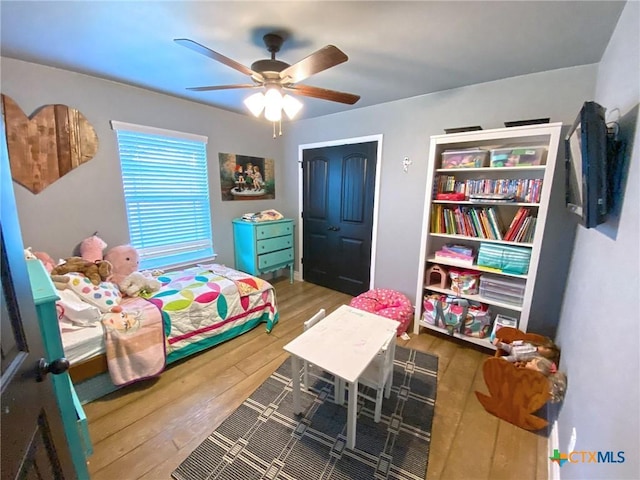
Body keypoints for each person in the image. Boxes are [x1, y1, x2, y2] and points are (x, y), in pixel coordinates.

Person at [492, 336, 560, 364]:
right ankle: (498, 344)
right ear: (543, 346)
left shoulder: (537, 357)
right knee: (506, 346)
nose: (542, 350)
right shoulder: (532, 344)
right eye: (544, 348)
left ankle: (498, 360)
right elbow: (522, 342)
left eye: (545, 354)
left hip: (516, 357)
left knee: (506, 360)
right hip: (513, 349)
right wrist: (514, 343)